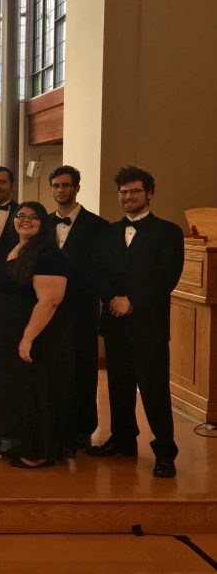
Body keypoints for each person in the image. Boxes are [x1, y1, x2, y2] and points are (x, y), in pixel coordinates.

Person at [89, 166, 184, 478]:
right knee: (119, 386)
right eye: (124, 192)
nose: (128, 197)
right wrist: (113, 298)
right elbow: (98, 272)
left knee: (154, 388)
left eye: (135, 191)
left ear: (150, 194)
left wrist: (133, 301)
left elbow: (167, 277)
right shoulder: (107, 232)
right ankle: (123, 439)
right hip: (115, 322)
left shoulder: (169, 232)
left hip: (149, 324)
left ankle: (165, 450)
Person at [0, 201, 73, 468]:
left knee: (35, 390)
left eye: (33, 217)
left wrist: (28, 337)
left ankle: (38, 449)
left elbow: (50, 300)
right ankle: (20, 442)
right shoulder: (16, 247)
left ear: (44, 223)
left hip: (37, 333)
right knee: (19, 390)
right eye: (21, 216)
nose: (25, 221)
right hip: (10, 331)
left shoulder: (48, 253)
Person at [48, 165, 108, 449]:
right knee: (53, 367)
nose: (61, 190)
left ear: (76, 188)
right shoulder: (42, 224)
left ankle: (84, 428)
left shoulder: (99, 227)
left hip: (81, 308)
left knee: (83, 367)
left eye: (66, 185)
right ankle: (56, 425)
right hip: (47, 309)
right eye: (57, 186)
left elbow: (101, 271)